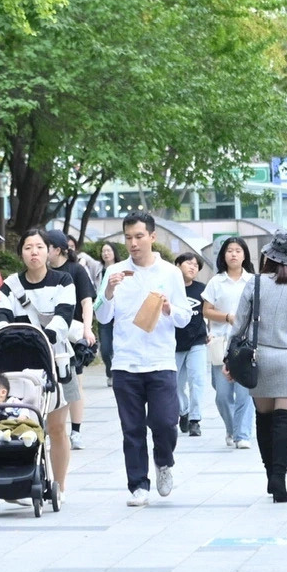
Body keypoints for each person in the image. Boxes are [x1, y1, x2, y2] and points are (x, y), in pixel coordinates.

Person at [95, 212, 195, 506]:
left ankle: (164, 462)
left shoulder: (170, 273)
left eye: (139, 236)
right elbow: (103, 316)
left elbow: (185, 317)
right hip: (125, 362)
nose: (133, 243)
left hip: (161, 361)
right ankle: (138, 485)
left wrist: (168, 310)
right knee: (132, 429)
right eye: (128, 237)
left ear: (153, 237)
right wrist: (110, 291)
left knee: (165, 423)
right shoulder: (114, 272)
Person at [0, 228, 86, 495]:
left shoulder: (64, 281)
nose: (33, 252)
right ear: (21, 252)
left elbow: (64, 316)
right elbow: (1, 316)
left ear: (49, 251)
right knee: (24, 424)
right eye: (27, 247)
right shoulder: (10, 284)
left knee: (57, 427)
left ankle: (59, 485)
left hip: (57, 361)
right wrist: (6, 334)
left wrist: (43, 337)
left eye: (39, 247)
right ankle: (23, 479)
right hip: (19, 366)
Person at [234, 232, 287, 502]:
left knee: (264, 419)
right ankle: (279, 477)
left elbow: (240, 323)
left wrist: (230, 358)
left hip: (258, 358)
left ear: (269, 256)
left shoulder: (255, 284)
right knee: (285, 420)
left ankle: (269, 471)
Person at [202, 236, 256, 449]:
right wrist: (227, 317)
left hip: (246, 344)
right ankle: (232, 428)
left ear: (244, 255)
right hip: (221, 343)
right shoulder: (216, 281)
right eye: (230, 250)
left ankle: (242, 435)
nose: (234, 254)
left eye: (238, 250)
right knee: (223, 395)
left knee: (244, 392)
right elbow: (206, 310)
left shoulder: (253, 281)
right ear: (223, 255)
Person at [45, 228, 96, 448]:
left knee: (73, 384)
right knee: (47, 384)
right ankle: (48, 430)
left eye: (43, 247)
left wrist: (87, 329)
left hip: (72, 336)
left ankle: (75, 431)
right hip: (47, 335)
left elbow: (86, 302)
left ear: (57, 249)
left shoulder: (76, 271)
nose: (38, 251)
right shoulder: (41, 272)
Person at [172, 252, 209, 437]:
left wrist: (209, 333)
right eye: (188, 263)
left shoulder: (202, 289)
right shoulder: (170, 289)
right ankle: (183, 411)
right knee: (176, 384)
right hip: (174, 343)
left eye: (196, 265)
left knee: (198, 380)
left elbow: (208, 313)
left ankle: (195, 419)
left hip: (198, 341)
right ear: (177, 265)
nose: (193, 267)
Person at [96, 242, 120, 373]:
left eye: (108, 251)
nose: (105, 253)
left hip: (118, 312)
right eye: (103, 251)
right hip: (103, 309)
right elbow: (82, 255)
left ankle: (115, 373)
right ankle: (109, 370)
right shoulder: (98, 268)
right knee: (105, 348)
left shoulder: (121, 268)